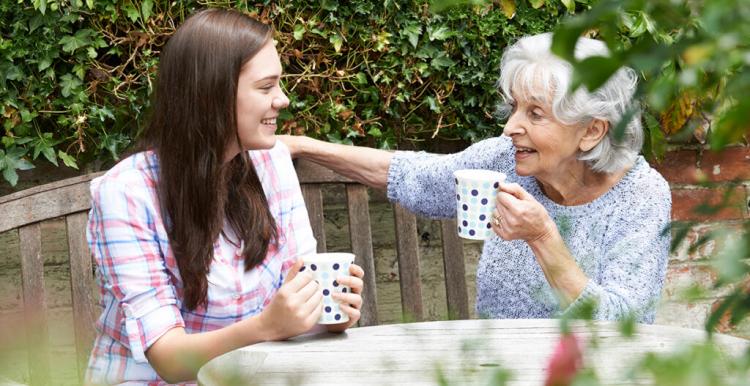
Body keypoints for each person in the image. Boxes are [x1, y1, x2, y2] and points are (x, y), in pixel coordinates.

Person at [280, 32, 671, 324]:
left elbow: (625, 325)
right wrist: (303, 146)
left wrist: (542, 237)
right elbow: (413, 175)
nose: (510, 127)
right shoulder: (505, 160)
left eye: (535, 114)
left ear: (592, 131)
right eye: (515, 107)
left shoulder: (639, 196)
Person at [85, 9, 364, 385]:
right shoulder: (127, 194)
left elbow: (299, 287)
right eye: (266, 87)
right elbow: (168, 358)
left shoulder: (271, 164)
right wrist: (267, 326)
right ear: (212, 94)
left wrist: (327, 310)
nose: (282, 100)